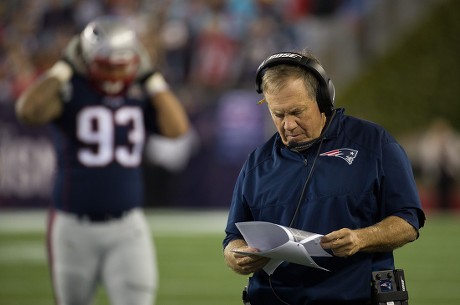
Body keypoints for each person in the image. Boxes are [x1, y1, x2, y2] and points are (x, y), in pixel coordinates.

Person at [223, 50, 425, 305]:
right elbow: (233, 238)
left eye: (297, 111)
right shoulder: (256, 164)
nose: (289, 125)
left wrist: (361, 238)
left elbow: (408, 221)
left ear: (323, 99)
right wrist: (237, 256)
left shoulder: (375, 144)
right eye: (279, 114)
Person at [16, 16, 190, 305]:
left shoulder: (138, 92)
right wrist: (63, 68)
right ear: (86, 59)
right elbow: (27, 111)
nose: (114, 76)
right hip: (73, 226)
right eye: (107, 66)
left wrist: (151, 77)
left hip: (127, 226)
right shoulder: (71, 88)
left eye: (122, 66)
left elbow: (177, 128)